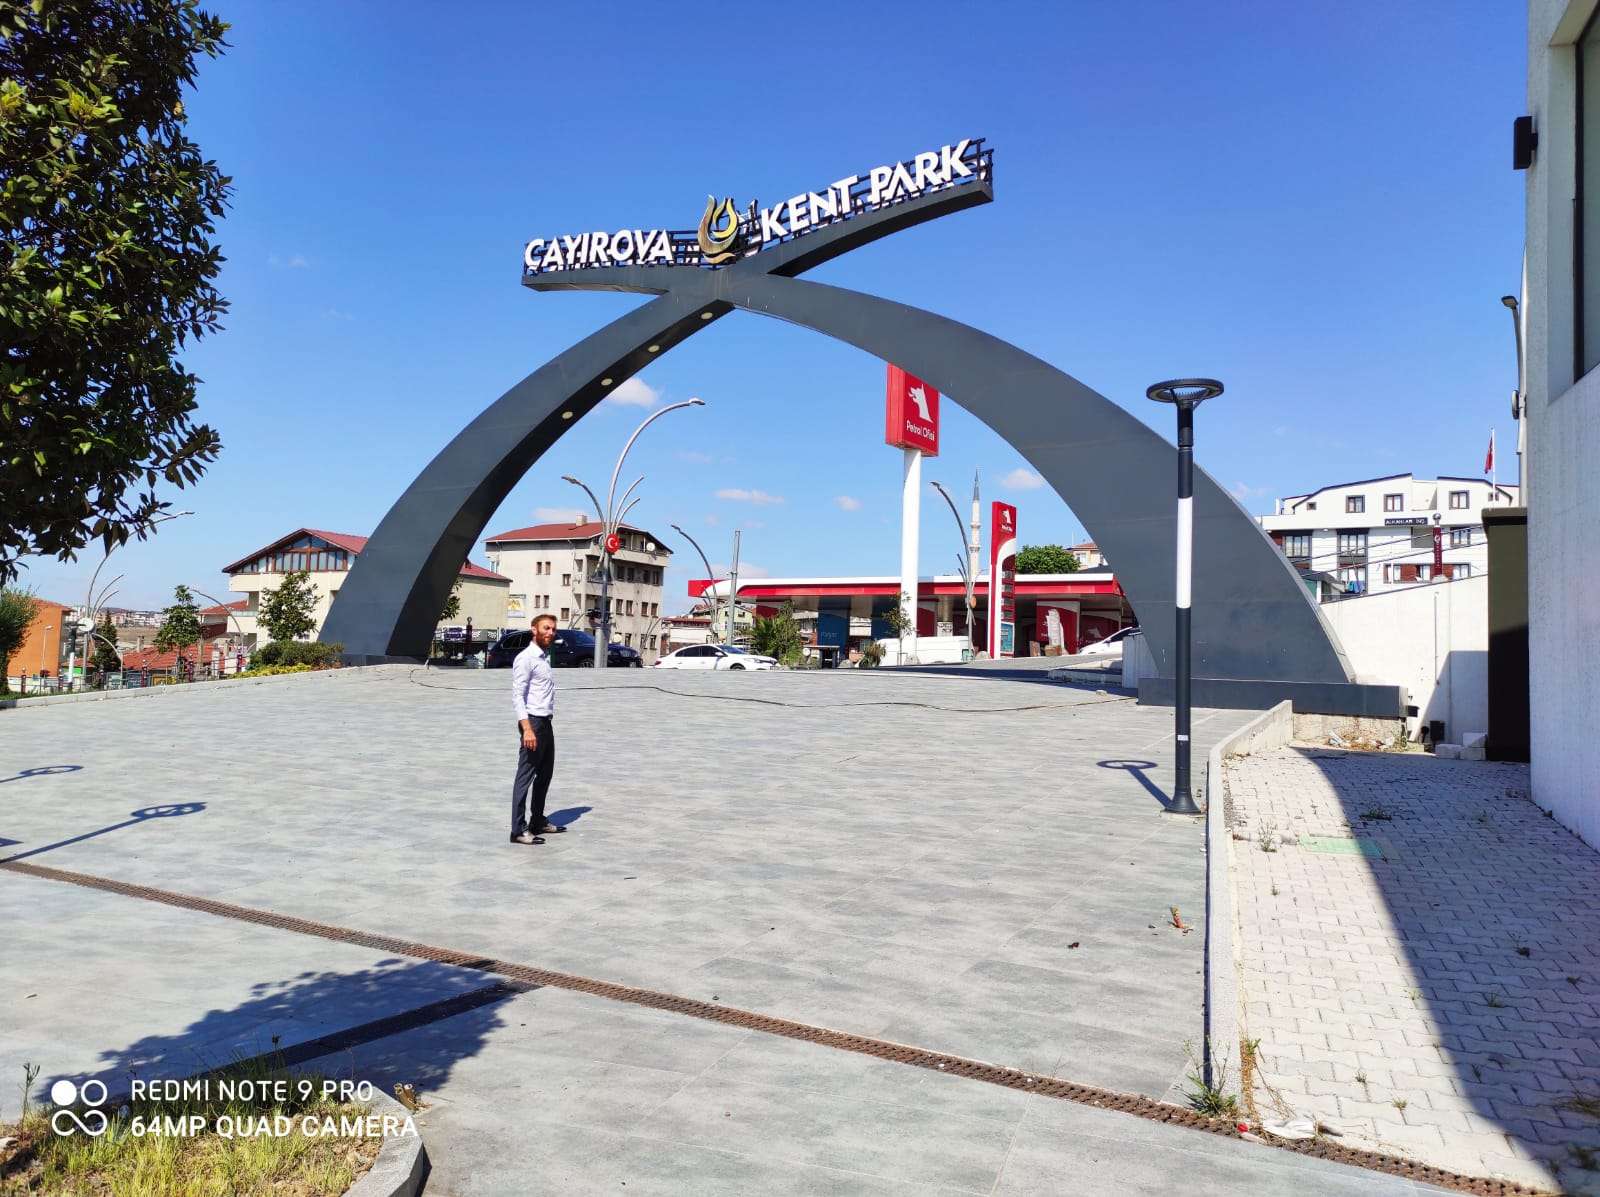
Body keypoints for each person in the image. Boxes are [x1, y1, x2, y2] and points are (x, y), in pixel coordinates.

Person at [509, 613, 566, 846]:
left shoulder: (543, 658)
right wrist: (527, 729)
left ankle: (537, 821)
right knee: (525, 776)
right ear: (534, 630)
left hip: (545, 722)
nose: (550, 632)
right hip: (532, 723)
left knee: (545, 774)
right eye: (546, 628)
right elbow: (517, 696)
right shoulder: (526, 658)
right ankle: (518, 830)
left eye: (553, 629)